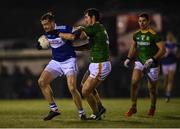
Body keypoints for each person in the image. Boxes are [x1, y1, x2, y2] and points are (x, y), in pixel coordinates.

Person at [59, 8, 111, 120]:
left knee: (85, 91)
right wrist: (74, 48)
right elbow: (89, 46)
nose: (85, 19)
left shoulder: (95, 27)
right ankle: (100, 107)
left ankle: (96, 113)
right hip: (95, 63)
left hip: (100, 64)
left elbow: (80, 36)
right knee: (84, 85)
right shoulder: (97, 28)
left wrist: (61, 34)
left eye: (87, 17)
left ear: (92, 17)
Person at [37, 12, 86, 121]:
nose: (45, 27)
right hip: (56, 62)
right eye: (43, 25)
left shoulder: (63, 28)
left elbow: (81, 35)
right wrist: (40, 44)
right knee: (41, 82)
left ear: (53, 22)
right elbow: (47, 41)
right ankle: (54, 110)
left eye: (47, 24)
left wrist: (77, 31)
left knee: (72, 88)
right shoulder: (47, 33)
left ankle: (82, 113)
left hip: (69, 61)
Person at [123, 13, 166, 117]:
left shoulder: (154, 34)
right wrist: (128, 58)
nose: (141, 23)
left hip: (152, 63)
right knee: (134, 83)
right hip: (140, 61)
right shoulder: (136, 34)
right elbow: (133, 46)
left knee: (152, 88)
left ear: (148, 22)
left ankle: (152, 107)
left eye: (143, 21)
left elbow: (163, 50)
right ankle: (133, 107)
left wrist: (152, 59)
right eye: (139, 21)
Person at [161, 32, 178, 102]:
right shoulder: (164, 44)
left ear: (172, 37)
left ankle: (168, 95)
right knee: (166, 80)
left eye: (171, 36)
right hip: (165, 63)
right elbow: (161, 54)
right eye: (168, 36)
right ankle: (166, 93)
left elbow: (178, 55)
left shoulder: (175, 45)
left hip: (172, 63)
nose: (170, 37)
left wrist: (175, 54)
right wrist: (165, 54)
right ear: (167, 37)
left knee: (170, 79)